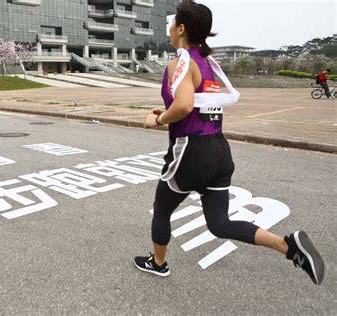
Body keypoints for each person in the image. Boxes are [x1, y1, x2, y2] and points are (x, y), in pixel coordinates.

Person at [134, 0, 325, 285]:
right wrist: (168, 112)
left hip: (191, 151)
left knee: (162, 209)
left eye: (172, 24)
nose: (170, 29)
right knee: (219, 224)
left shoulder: (180, 62)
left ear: (182, 28)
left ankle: (158, 263)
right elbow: (198, 105)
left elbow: (185, 105)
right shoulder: (208, 64)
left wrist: (158, 121)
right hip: (219, 150)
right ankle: (289, 246)